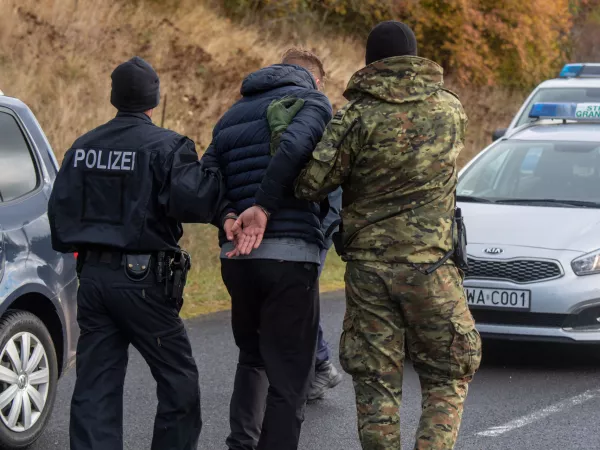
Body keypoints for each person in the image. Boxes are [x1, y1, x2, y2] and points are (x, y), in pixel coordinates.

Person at [294, 21, 482, 450]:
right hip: (433, 268)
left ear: (370, 61)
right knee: (448, 374)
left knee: (376, 383)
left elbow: (310, 185)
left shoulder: (356, 116)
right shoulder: (451, 110)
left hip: (370, 272)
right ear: (415, 58)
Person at [48, 56, 229, 450]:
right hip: (144, 283)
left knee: (95, 386)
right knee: (178, 380)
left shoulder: (81, 147)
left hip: (93, 280)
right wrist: (213, 164)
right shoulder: (167, 146)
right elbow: (196, 202)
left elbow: (59, 215)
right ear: (154, 100)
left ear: (114, 97)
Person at [201, 48, 332, 450]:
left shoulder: (232, 114)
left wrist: (225, 216)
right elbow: (293, 147)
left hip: (236, 258)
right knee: (290, 375)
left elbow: (205, 175)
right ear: (315, 79)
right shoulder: (314, 102)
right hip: (289, 256)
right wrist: (263, 206)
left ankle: (241, 444)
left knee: (253, 357)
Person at [308, 186, 344, 401]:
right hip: (300, 228)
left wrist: (320, 232)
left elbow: (335, 198)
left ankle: (322, 366)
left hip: (316, 231)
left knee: (300, 300)